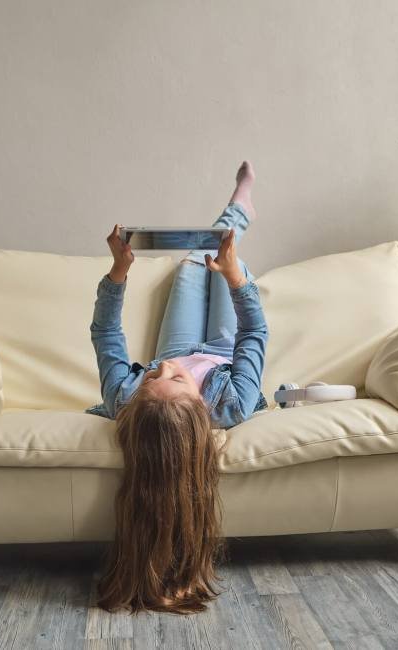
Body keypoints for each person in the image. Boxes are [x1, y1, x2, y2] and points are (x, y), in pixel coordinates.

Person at [87, 161, 268, 614]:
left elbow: (106, 335)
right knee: (229, 260)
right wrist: (234, 279)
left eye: (153, 376)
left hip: (185, 339)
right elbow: (253, 335)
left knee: (192, 264)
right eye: (177, 378)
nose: (164, 367)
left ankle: (235, 212)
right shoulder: (231, 403)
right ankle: (239, 210)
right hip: (226, 348)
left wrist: (119, 271)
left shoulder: (126, 400)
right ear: (199, 409)